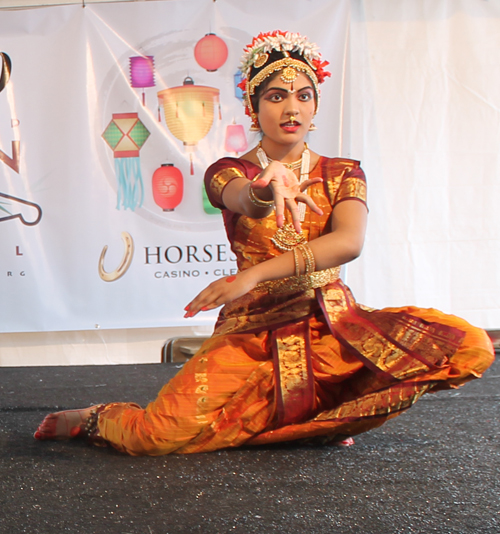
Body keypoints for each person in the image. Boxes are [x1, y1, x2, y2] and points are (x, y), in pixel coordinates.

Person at [35, 31, 494, 455]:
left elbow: (349, 243)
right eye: (276, 97)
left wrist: (251, 274)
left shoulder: (342, 173)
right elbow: (244, 201)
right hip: (252, 330)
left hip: (329, 327)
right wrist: (262, 188)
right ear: (254, 108)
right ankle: (96, 419)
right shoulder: (228, 170)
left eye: (303, 95)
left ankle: (317, 413)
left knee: (471, 346)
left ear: (315, 106)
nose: (291, 108)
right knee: (154, 437)